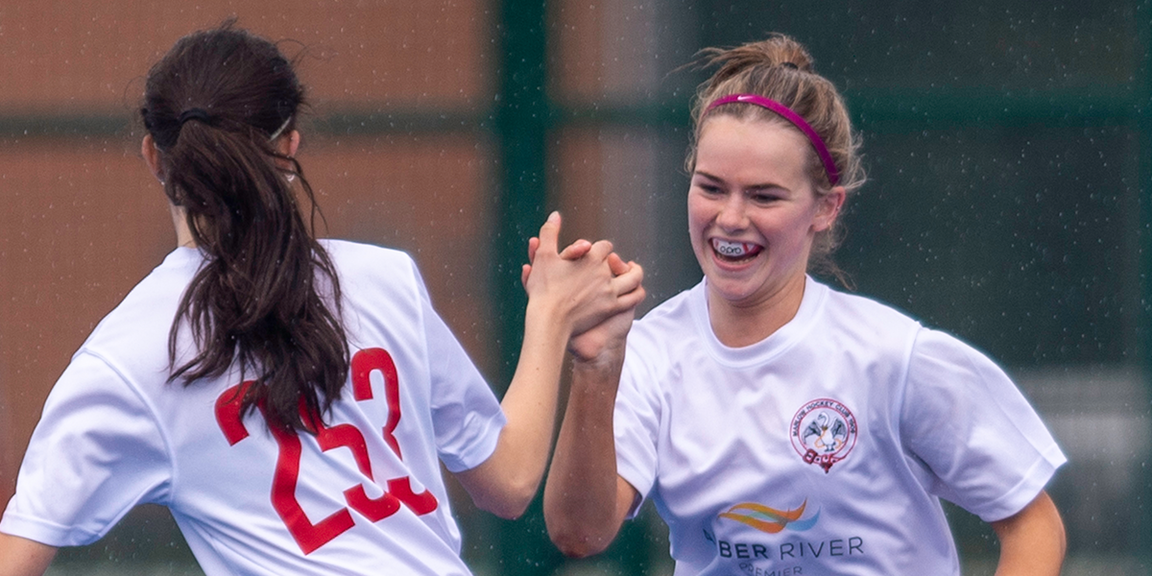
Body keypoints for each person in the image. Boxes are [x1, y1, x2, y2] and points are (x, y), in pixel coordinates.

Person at [0, 23, 644, 576]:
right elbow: (509, 483)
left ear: (153, 156)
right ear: (289, 145)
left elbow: (18, 552)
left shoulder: (129, 355)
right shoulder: (383, 279)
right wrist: (549, 315)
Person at [543, 33, 1067, 575]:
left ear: (826, 208)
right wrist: (595, 369)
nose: (730, 218)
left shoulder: (891, 356)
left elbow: (1033, 523)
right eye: (712, 188)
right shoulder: (648, 353)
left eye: (764, 196)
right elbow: (578, 533)